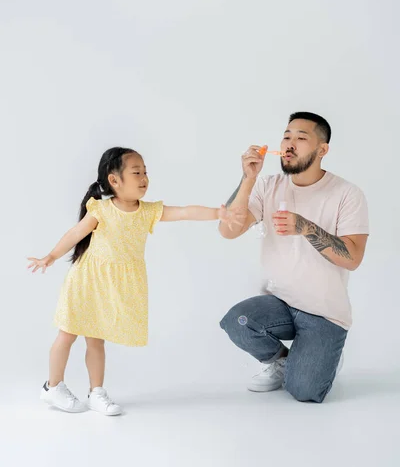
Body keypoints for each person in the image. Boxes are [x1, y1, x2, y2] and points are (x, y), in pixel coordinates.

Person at [28, 146, 244, 415]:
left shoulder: (147, 211)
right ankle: (53, 387)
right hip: (87, 281)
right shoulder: (102, 210)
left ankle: (96, 391)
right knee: (67, 334)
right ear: (114, 180)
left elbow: (184, 212)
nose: (144, 178)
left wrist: (217, 213)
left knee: (96, 340)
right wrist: (50, 256)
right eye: (136, 172)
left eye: (145, 172)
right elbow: (75, 233)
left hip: (113, 285)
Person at [218, 112, 369, 403]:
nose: (289, 144)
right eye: (286, 136)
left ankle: (318, 356)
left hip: (324, 313)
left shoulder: (347, 194)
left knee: (304, 392)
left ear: (322, 150)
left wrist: (306, 227)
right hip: (281, 302)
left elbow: (352, 257)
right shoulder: (267, 185)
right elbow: (227, 230)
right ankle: (284, 361)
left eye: (301, 138)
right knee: (237, 321)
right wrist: (248, 179)